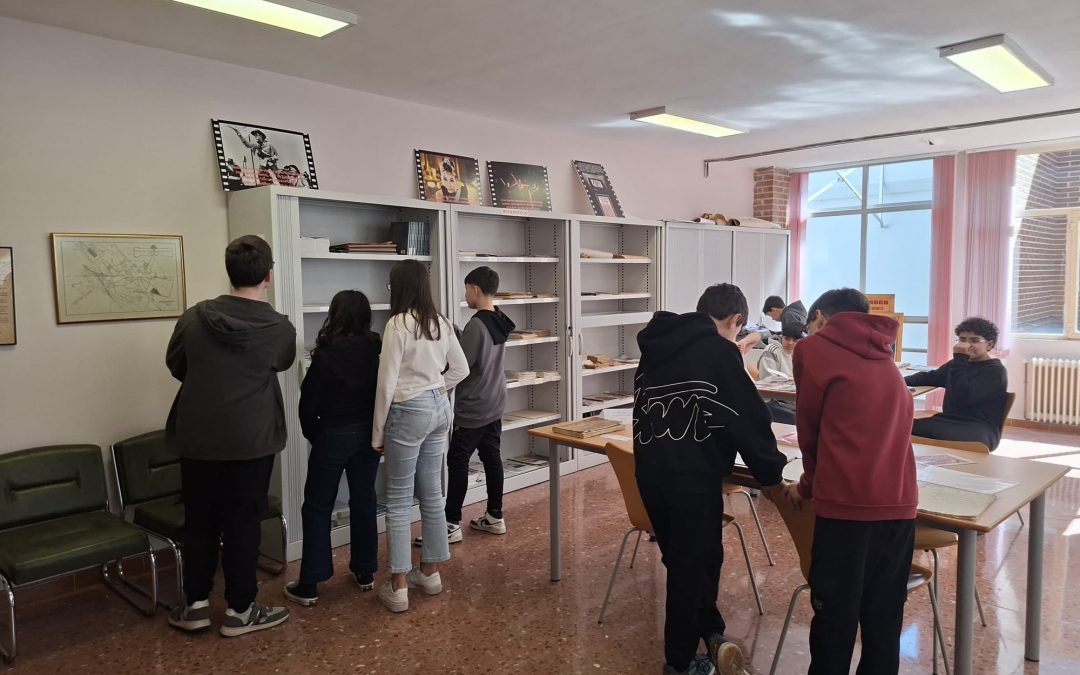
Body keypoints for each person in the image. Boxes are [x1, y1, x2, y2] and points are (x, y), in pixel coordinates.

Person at [634, 282, 786, 675]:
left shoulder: (656, 346)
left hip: (650, 473)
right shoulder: (719, 352)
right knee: (693, 568)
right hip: (692, 478)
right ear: (736, 320)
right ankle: (679, 663)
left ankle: (712, 633)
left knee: (687, 562)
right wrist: (770, 473)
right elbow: (748, 418)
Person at [778, 288, 918, 675]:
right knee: (884, 620)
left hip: (847, 507)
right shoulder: (884, 351)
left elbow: (809, 431)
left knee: (835, 619)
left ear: (820, 317)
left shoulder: (812, 350)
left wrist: (805, 487)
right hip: (900, 503)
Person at [165, 234, 295, 637]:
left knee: (199, 520)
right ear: (269, 275)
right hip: (251, 438)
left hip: (198, 437)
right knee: (243, 521)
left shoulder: (194, 317)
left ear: (229, 271)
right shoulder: (278, 328)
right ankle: (240, 610)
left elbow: (176, 364)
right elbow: (281, 363)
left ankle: (196, 604)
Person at [373, 259, 469, 613]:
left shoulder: (397, 324)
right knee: (431, 492)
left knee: (398, 499)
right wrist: (436, 389)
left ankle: (398, 586)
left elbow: (386, 384)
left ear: (398, 289)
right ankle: (429, 572)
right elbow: (461, 368)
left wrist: (376, 432)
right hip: (439, 409)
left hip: (408, 411)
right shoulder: (441, 322)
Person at [284, 290, 381, 607]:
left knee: (317, 506)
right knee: (364, 500)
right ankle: (365, 572)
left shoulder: (326, 355)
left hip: (332, 435)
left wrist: (315, 435)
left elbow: (308, 403)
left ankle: (311, 582)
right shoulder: (376, 348)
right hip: (368, 433)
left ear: (335, 316)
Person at [440, 266, 516, 543]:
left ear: (475, 289)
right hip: (495, 401)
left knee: (457, 461)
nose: (465, 294)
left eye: (466, 289)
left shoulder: (476, 324)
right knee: (492, 458)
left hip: (474, 406)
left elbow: (463, 365)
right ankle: (495, 516)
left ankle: (450, 525)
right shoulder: (499, 319)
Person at [904, 317, 1009, 450]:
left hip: (978, 428)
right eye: (962, 340)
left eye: (974, 340)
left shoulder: (995, 370)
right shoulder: (958, 364)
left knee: (899, 428)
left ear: (989, 344)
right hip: (947, 421)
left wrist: (960, 360)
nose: (966, 345)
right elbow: (929, 377)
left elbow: (963, 397)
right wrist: (898, 381)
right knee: (897, 426)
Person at [755, 322, 803, 424]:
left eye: (795, 340)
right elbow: (767, 381)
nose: (790, 343)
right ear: (781, 337)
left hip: (790, 400)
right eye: (787, 338)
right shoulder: (772, 350)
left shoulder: (801, 353)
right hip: (771, 401)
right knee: (802, 420)